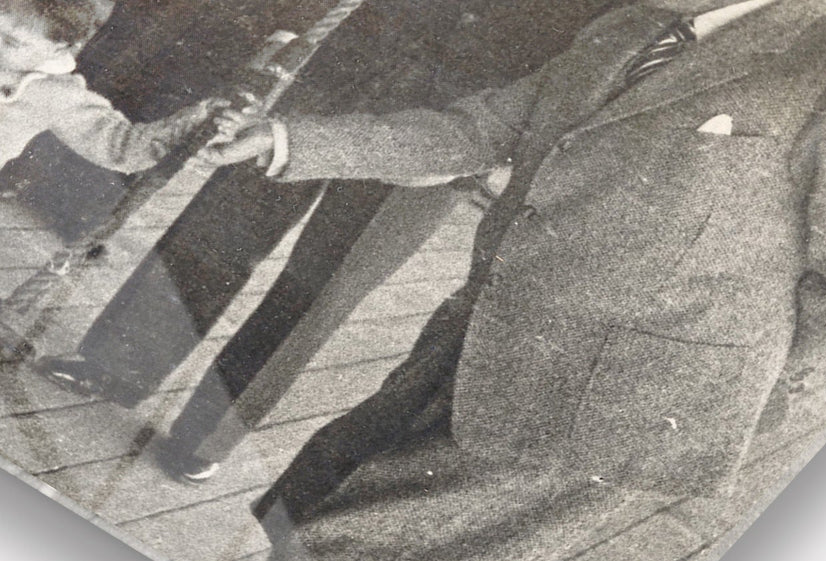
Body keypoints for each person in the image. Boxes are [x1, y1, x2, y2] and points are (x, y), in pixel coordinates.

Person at [195, 0, 826, 561]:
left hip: (613, 404)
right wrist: (287, 140)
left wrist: (730, 375)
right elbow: (478, 131)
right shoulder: (627, 26)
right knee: (322, 520)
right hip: (488, 337)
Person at [38, 0, 619, 484]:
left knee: (320, 289)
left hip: (456, 130)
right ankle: (117, 364)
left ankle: (206, 438)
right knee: (220, 228)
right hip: (349, 68)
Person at [0, 0, 217, 174]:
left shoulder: (55, 94)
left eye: (10, 42)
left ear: (58, 49)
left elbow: (118, 144)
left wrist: (183, 127)